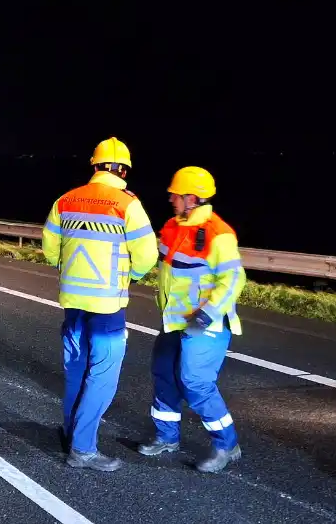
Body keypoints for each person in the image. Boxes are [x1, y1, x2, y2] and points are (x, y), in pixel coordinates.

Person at [41, 137, 158, 471]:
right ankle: (83, 449)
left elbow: (50, 248)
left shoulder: (65, 200)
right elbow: (147, 255)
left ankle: (70, 433)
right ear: (123, 169)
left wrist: (68, 270)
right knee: (102, 376)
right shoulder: (127, 204)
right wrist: (130, 275)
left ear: (94, 165)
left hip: (73, 303)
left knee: (76, 370)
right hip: (107, 306)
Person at [139, 166, 246, 473]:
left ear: (192, 198)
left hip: (205, 323)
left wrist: (207, 313)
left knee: (196, 383)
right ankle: (166, 436)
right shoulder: (172, 226)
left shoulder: (218, 233)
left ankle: (227, 445)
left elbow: (233, 280)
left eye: (176, 194)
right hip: (174, 320)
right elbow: (158, 263)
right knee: (164, 374)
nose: (171, 198)